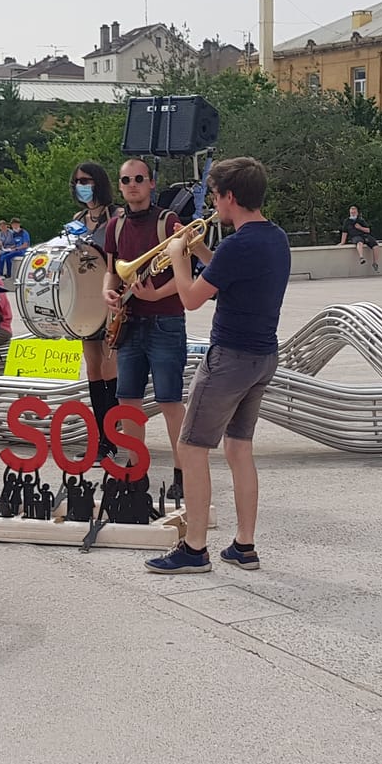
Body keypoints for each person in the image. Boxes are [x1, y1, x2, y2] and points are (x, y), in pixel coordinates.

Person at [145, 158, 289, 574]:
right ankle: (244, 545)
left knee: (191, 449)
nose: (211, 203)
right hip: (263, 356)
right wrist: (198, 250)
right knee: (239, 449)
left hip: (230, 358)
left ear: (229, 197)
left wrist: (176, 255)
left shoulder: (238, 245)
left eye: (213, 195)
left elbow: (190, 298)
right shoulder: (274, 238)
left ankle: (194, 548)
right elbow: (225, 275)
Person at [103, 158, 208, 499]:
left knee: (169, 401)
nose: (132, 184)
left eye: (139, 178)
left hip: (165, 321)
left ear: (150, 183)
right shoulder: (115, 226)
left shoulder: (169, 221)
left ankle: (182, 473)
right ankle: (136, 469)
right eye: (125, 180)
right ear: (120, 186)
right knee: (127, 399)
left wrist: (156, 293)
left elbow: (186, 277)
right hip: (130, 322)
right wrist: (108, 290)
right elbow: (113, 271)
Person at [70, 161, 121, 459]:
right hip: (85, 300)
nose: (81, 185)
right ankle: (101, 437)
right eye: (77, 181)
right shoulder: (77, 218)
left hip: (111, 297)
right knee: (91, 367)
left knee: (108, 365)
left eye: (86, 180)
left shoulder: (117, 216)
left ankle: (112, 438)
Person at [340, 205, 379, 273]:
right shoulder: (347, 221)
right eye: (351, 211)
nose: (353, 212)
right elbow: (344, 232)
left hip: (364, 235)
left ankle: (375, 263)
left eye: (354, 211)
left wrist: (360, 227)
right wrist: (342, 242)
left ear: (357, 212)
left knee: (375, 246)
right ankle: (361, 257)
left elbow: (368, 230)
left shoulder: (361, 220)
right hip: (355, 236)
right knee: (359, 243)